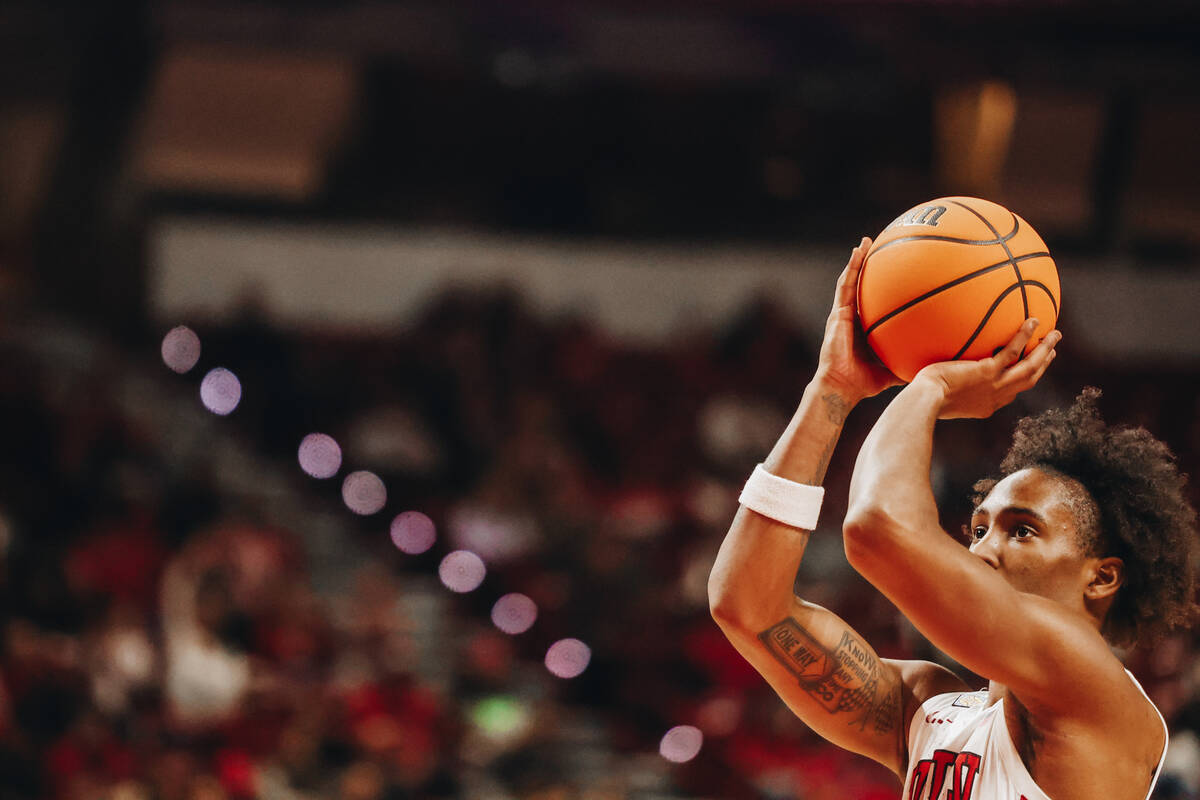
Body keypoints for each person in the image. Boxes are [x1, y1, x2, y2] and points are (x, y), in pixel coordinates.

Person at [709, 238, 1198, 800]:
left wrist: (932, 386)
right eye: (979, 529)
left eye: (1022, 530)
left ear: (1102, 577)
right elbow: (746, 605)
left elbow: (875, 528)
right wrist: (832, 391)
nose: (984, 548)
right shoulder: (928, 708)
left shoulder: (1092, 687)